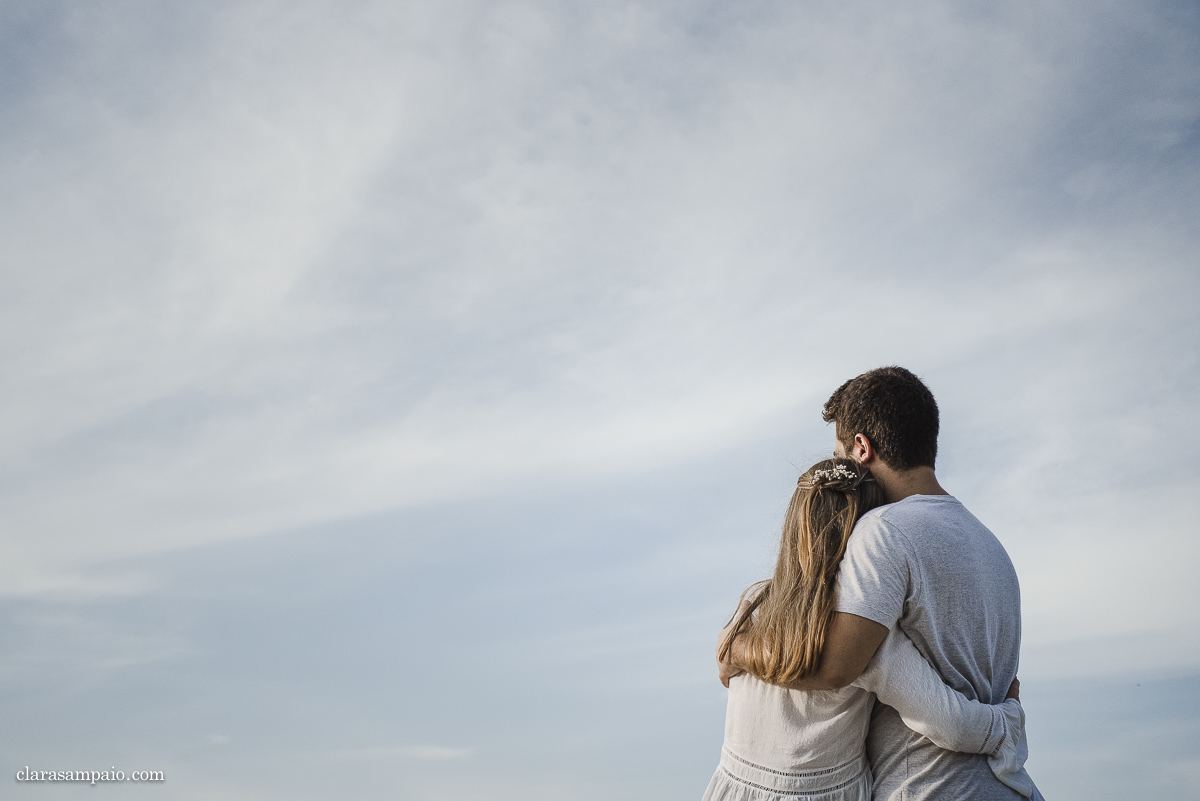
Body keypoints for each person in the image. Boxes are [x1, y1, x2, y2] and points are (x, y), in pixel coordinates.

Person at [718, 366, 1039, 800]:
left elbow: (835, 666)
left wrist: (733, 647)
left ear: (861, 448)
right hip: (1008, 786)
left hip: (928, 789)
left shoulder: (882, 531)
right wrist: (1010, 718)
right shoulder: (990, 544)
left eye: (839, 454)